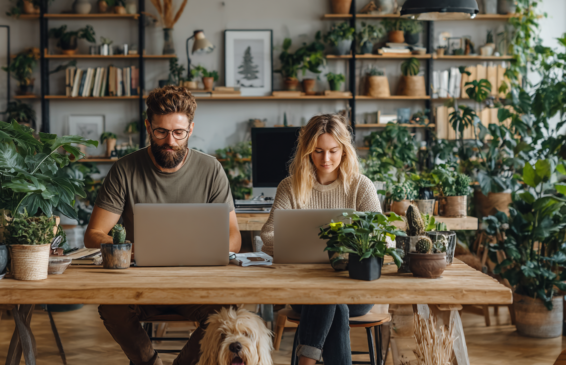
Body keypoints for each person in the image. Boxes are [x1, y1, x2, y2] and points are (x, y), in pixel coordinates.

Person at [84, 86, 242, 365]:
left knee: (226, 311)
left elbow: (233, 238)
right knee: (111, 307)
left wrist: (196, 254)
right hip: (138, 283)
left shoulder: (211, 170)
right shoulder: (125, 169)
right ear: (148, 126)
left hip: (195, 284)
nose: (170, 140)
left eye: (178, 132)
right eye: (161, 132)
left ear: (191, 129)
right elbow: (94, 234)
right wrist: (127, 251)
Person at [261, 114, 382, 365]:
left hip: (356, 289)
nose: (325, 159)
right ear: (307, 152)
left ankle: (306, 360)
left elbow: (382, 238)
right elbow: (268, 236)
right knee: (330, 299)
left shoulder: (361, 187)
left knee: (330, 297)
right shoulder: (290, 187)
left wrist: (348, 251)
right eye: (317, 151)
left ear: (345, 151)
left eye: (333, 151)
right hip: (302, 289)